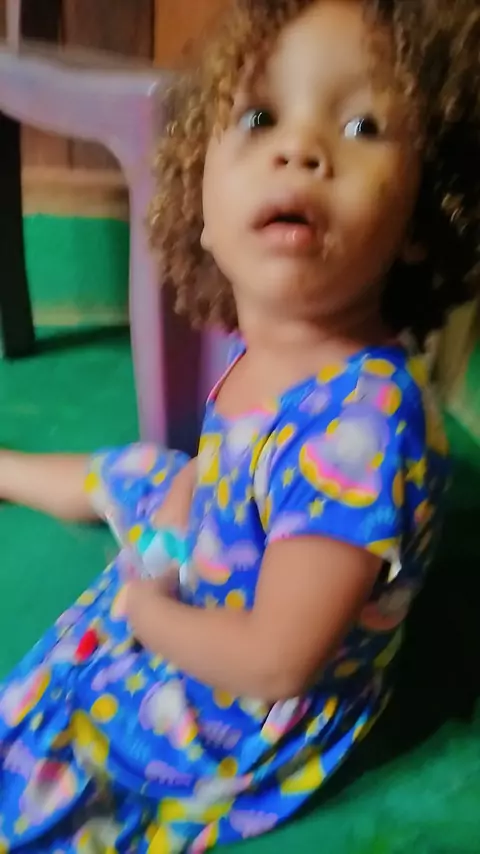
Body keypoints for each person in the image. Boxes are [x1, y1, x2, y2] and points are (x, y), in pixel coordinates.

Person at [0, 0, 479, 850]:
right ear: (200, 205)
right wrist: (181, 506)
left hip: (243, 707)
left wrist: (147, 614)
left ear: (420, 216)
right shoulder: (275, 347)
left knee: (57, 738)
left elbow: (276, 661)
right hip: (232, 548)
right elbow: (221, 463)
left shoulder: (360, 432)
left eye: (362, 126)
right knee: (147, 470)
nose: (301, 150)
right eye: (260, 119)